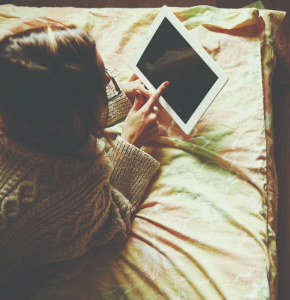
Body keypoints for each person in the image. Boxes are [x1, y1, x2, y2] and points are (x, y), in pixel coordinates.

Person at [0, 24, 169, 299]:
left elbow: (47, 121)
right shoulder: (73, 187)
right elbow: (107, 221)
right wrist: (129, 141)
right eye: (103, 81)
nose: (108, 82)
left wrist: (105, 101)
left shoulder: (12, 99)